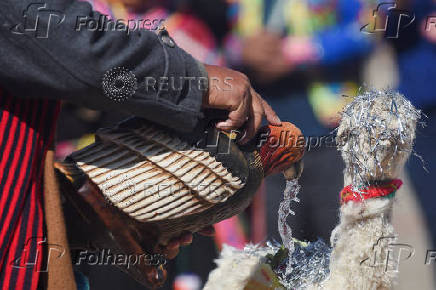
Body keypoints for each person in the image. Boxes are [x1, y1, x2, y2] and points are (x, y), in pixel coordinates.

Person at [0, 0, 281, 289]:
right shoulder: (89, 18)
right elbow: (59, 38)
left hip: (35, 218)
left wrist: (91, 215)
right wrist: (194, 80)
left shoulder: (188, 29)